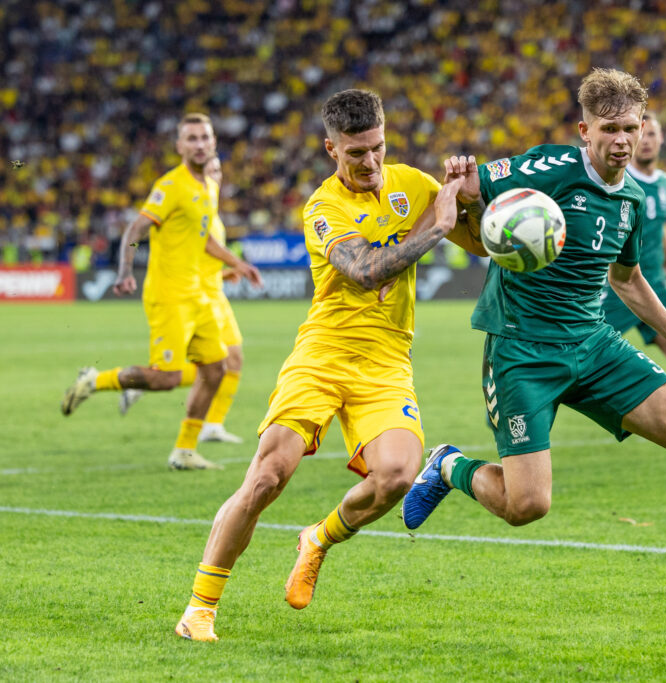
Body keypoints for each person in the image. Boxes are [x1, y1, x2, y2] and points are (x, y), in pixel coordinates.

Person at [403, 69, 666, 610]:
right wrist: (457, 177)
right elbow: (464, 188)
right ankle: (448, 465)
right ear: (584, 130)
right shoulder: (548, 167)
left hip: (593, 343)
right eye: (610, 129)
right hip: (522, 351)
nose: (624, 140)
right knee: (527, 505)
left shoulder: (631, 196)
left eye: (632, 127)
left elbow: (627, 279)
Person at [173, 89, 479, 642]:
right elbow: (363, 270)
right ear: (330, 150)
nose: (369, 163)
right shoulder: (323, 207)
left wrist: (474, 196)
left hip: (387, 360)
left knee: (397, 477)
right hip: (323, 354)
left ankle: (317, 539)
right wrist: (437, 224)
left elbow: (477, 241)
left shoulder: (415, 185)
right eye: (355, 153)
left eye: (377, 149)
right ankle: (200, 607)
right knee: (268, 476)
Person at [60, 113, 262, 470]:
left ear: (213, 143)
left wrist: (238, 264)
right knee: (166, 378)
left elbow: (205, 240)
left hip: (199, 293)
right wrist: (125, 270)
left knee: (217, 368)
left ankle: (184, 450)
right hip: (169, 295)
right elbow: (134, 230)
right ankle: (94, 380)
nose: (199, 144)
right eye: (192, 139)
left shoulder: (209, 188)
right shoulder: (170, 186)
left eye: (205, 138)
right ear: (180, 146)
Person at [120, 157, 247, 444]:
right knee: (216, 364)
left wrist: (225, 275)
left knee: (232, 359)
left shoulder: (210, 212)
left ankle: (212, 425)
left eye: (218, 170)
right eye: (210, 170)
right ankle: (146, 381)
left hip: (212, 290)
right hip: (196, 296)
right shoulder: (193, 210)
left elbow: (201, 259)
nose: (214, 175)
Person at [600, 112, 666, 415]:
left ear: (661, 139)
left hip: (655, 282)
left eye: (653, 135)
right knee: (575, 361)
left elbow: (659, 227)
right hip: (620, 285)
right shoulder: (619, 181)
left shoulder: (665, 183)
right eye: (643, 137)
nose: (647, 143)